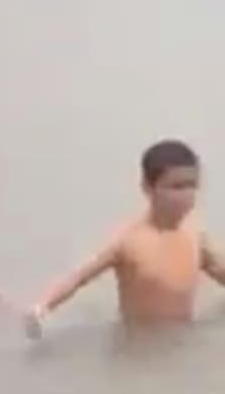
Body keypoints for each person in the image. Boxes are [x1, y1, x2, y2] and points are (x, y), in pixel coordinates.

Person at [25, 140, 225, 337]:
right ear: (148, 188)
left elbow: (221, 272)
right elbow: (78, 278)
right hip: (139, 345)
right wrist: (43, 307)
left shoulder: (196, 236)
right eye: (176, 187)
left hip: (183, 338)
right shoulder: (128, 240)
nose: (186, 195)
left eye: (192, 186)